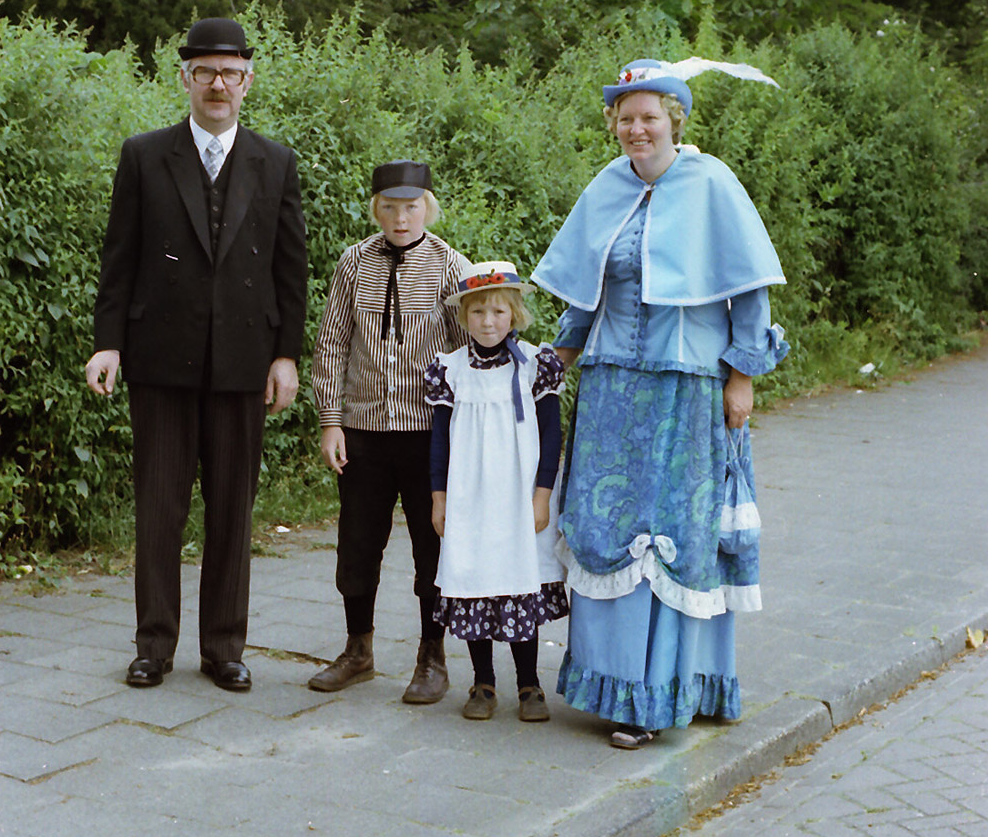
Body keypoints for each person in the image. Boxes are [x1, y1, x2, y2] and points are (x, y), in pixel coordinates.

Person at [532, 57, 789, 748]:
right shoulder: (609, 186)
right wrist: (561, 352)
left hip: (689, 386)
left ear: (675, 120)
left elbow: (750, 291)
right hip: (614, 390)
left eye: (650, 117)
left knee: (678, 537)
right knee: (608, 531)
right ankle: (617, 687)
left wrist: (744, 374)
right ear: (614, 124)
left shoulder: (713, 183)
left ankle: (669, 690)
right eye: (626, 118)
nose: (637, 128)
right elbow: (587, 289)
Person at [85, 18, 308, 692]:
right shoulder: (145, 155)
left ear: (248, 82)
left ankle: (223, 648)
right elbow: (118, 259)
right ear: (184, 79)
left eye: (231, 73)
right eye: (205, 72)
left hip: (244, 360)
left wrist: (285, 356)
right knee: (159, 506)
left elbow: (290, 270)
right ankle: (154, 642)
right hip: (160, 358)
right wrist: (108, 342)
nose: (218, 84)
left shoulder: (277, 163)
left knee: (233, 510)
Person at [309, 161, 470, 703]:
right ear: (376, 208)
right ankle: (358, 650)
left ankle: (432, 656)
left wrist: (465, 430)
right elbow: (331, 343)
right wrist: (331, 421)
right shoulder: (354, 263)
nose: (401, 218)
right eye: (391, 207)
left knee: (432, 547)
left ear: (428, 206)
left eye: (412, 206)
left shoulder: (451, 266)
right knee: (357, 543)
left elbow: (470, 352)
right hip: (363, 430)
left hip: (428, 433)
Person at [425, 263, 567, 722]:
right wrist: (439, 497)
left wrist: (542, 495)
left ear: (515, 314)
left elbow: (551, 435)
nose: (489, 321)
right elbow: (439, 440)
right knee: (473, 577)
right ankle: (482, 682)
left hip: (517, 496)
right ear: (464, 316)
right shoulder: (450, 371)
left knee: (518, 576)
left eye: (498, 311)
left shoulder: (534, 367)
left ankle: (530, 685)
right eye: (479, 312)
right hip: (470, 497)